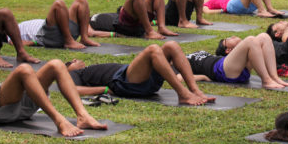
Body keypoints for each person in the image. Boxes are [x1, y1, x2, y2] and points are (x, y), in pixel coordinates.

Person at [0, 60, 107, 137]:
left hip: (17, 102)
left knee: (56, 65)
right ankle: (59, 120)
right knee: (24, 69)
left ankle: (83, 115)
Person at [65, 42, 214, 105]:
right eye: (70, 62)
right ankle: (183, 94)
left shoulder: (90, 69)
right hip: (124, 83)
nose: (75, 59)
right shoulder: (76, 74)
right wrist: (104, 90)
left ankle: (195, 90)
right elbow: (74, 90)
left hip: (138, 79)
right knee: (153, 49)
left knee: (171, 46)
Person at [195, 33, 288, 88]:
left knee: (264, 36)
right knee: (250, 40)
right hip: (222, 70)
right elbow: (179, 78)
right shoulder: (185, 60)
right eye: (228, 39)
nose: (232, 36)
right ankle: (266, 80)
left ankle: (274, 77)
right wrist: (203, 77)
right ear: (228, 50)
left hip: (235, 68)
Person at [17, 0, 108, 50]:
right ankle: (69, 41)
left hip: (60, 30)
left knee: (81, 1)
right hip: (49, 37)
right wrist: (34, 42)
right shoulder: (11, 32)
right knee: (58, 4)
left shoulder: (16, 26)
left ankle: (84, 38)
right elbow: (14, 42)